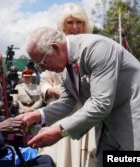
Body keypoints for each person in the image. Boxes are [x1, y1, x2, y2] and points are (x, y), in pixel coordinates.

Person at [18, 26, 140, 167]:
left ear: (55, 48)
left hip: (134, 122)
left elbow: (101, 104)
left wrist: (59, 132)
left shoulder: (97, 49)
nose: (44, 69)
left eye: (43, 63)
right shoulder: (67, 71)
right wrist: (36, 115)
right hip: (108, 129)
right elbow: (67, 101)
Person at [39, 3, 96, 167]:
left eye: (79, 22)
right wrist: (51, 90)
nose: (75, 27)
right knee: (59, 157)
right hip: (59, 112)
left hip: (84, 110)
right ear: (63, 25)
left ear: (86, 25)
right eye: (70, 23)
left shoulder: (92, 47)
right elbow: (43, 81)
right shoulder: (52, 49)